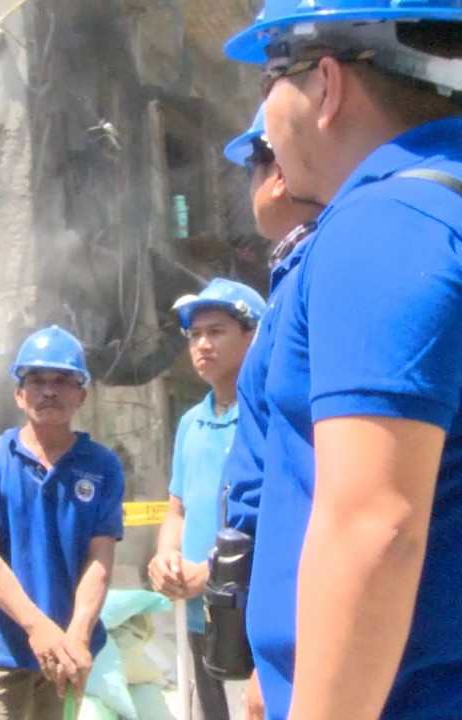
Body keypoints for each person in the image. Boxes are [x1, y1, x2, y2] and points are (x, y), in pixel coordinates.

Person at [224, 3, 462, 718]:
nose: (264, 117)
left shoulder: (386, 226)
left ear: (326, 83)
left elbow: (374, 527)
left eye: (271, 76)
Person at [217, 103, 324, 720]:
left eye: (251, 167)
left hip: (305, 654)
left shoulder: (315, 276)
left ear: (276, 170)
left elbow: (310, 486)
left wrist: (288, 659)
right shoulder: (293, 279)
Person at [0, 326, 124, 720]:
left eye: (62, 381)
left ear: (81, 395)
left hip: (69, 649)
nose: (49, 391)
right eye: (36, 381)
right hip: (1, 649)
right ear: (19, 395)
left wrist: (78, 633)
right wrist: (38, 628)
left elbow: (100, 558)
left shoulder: (101, 466)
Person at [149, 279, 264, 720]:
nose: (202, 344)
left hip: (250, 619)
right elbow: (177, 508)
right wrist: (166, 559)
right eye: (195, 335)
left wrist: (214, 572)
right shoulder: (191, 424)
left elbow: (277, 520)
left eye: (216, 332)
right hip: (196, 618)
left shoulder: (267, 417)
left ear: (252, 335)